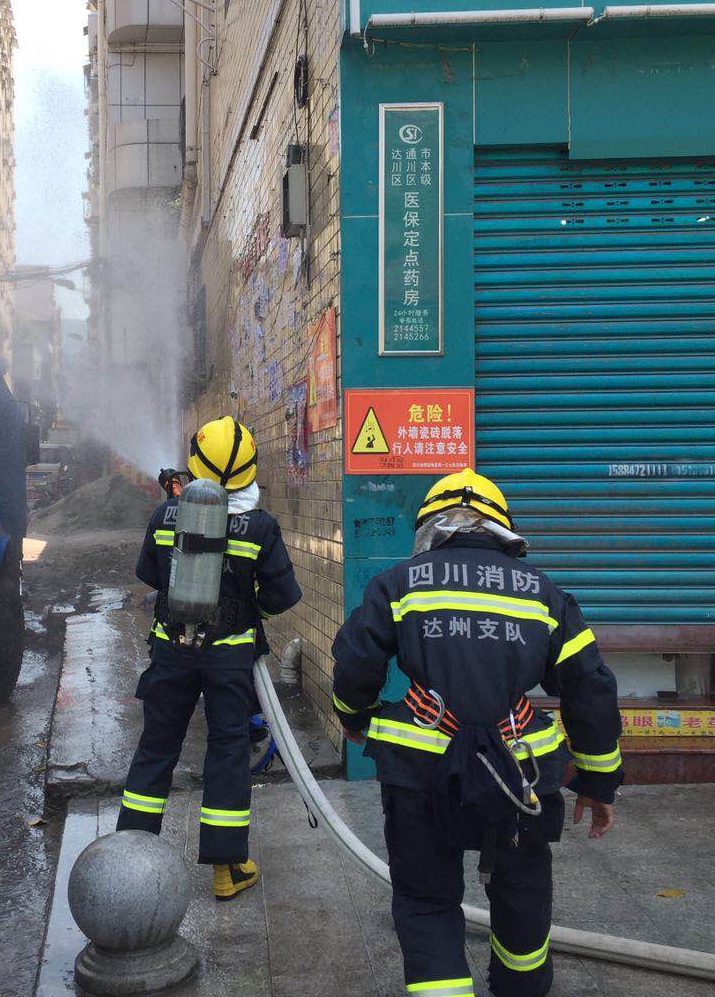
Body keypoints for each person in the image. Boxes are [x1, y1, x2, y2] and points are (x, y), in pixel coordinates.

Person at [331, 469, 623, 997]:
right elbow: (590, 687)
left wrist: (355, 719)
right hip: (519, 774)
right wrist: (599, 783)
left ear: (430, 527)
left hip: (420, 771)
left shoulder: (398, 583)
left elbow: (355, 663)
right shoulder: (542, 593)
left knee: (426, 900)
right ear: (502, 529)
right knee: (522, 894)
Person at [116, 415, 302, 900]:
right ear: (250, 470)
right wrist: (245, 612)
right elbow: (284, 595)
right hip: (229, 659)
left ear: (194, 463)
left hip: (171, 651)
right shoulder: (260, 527)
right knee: (226, 752)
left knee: (156, 748)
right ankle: (227, 868)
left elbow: (149, 574)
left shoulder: (166, 515)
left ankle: (128, 862)